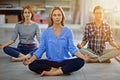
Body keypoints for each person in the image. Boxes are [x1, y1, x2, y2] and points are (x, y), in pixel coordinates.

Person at [23, 6, 89, 76]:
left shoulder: (68, 31)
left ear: (62, 17)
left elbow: (72, 49)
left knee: (81, 61)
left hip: (65, 61)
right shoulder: (46, 33)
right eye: (55, 15)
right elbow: (40, 50)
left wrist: (83, 57)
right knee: (32, 64)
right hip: (51, 62)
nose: (57, 17)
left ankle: (54, 72)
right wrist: (30, 60)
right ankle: (57, 70)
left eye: (59, 15)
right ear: (51, 17)